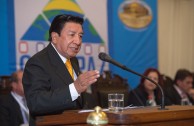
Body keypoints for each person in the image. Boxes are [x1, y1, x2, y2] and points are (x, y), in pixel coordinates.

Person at [22, 14, 100, 126]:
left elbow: (78, 102)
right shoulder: (38, 63)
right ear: (54, 37)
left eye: (80, 36)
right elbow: (36, 103)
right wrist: (75, 88)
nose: (78, 41)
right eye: (72, 35)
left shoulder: (73, 60)